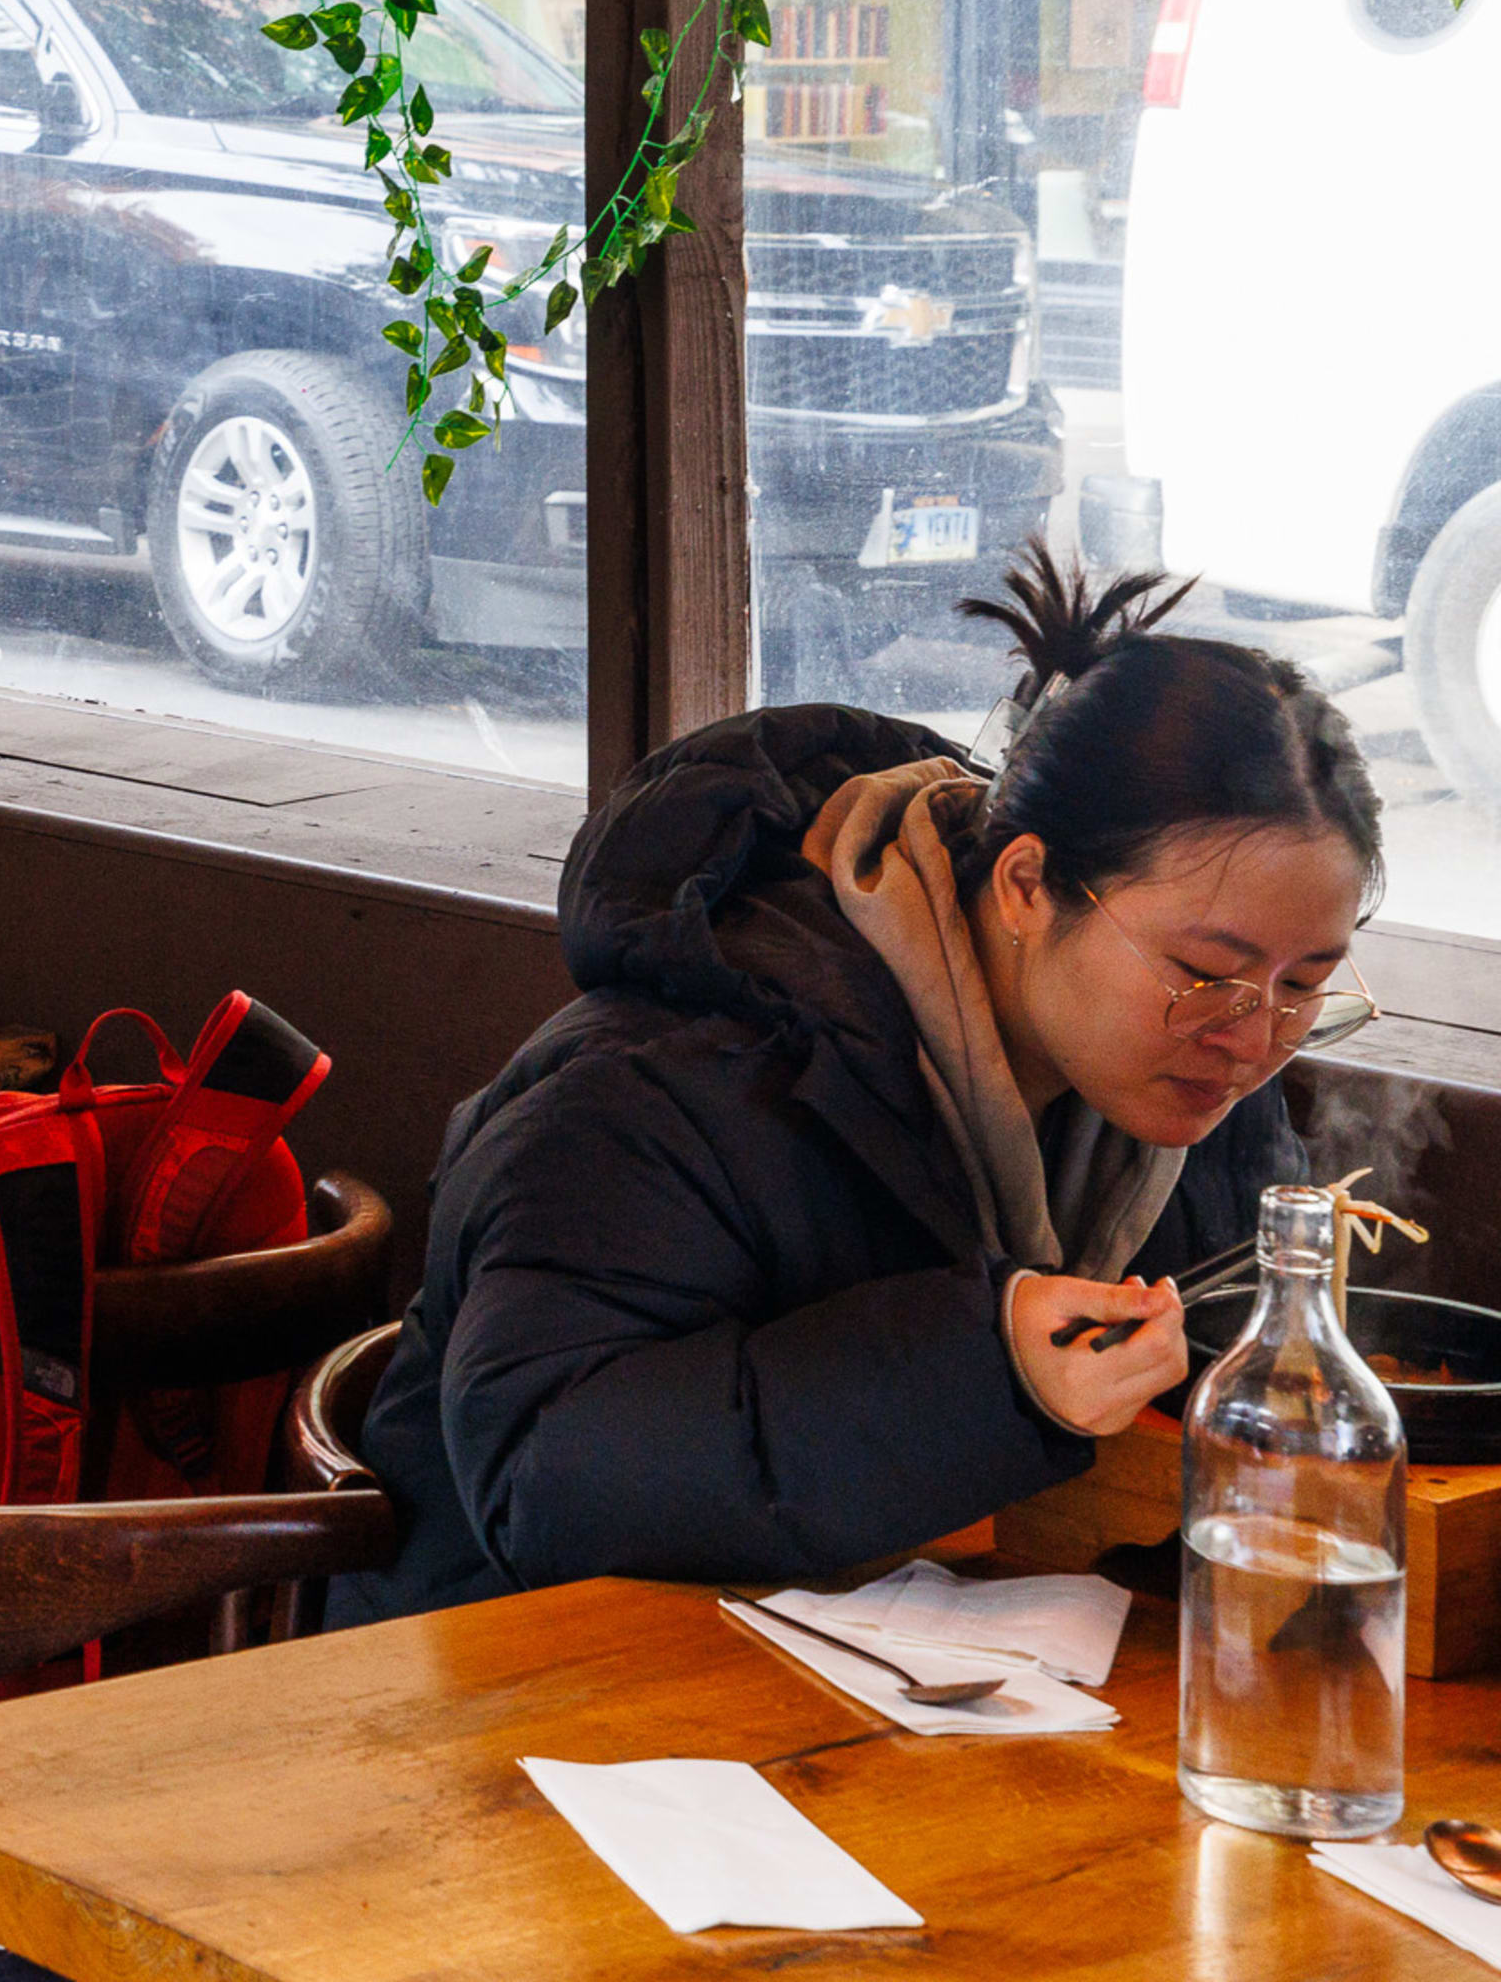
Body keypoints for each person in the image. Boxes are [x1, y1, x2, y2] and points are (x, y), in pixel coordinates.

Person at [340, 541, 1377, 1622]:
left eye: (1305, 984)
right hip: (506, 1704)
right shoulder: (656, 1088)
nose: (1254, 1039)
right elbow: (544, 1485)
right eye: (1203, 975)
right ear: (1027, 884)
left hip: (922, 1685)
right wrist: (983, 1371)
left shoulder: (1199, 1092)